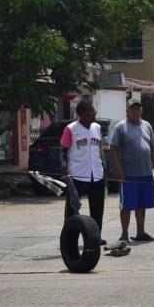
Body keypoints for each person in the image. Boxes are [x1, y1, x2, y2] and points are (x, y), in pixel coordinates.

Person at [110, 98, 154, 243]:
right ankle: (124, 233)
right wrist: (118, 170)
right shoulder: (121, 127)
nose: (135, 111)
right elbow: (113, 150)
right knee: (126, 205)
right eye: (132, 109)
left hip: (145, 172)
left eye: (138, 108)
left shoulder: (147, 125)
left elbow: (152, 148)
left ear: (141, 110)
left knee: (141, 204)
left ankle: (141, 232)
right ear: (127, 111)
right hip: (128, 174)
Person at [60, 100, 106, 245]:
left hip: (96, 174)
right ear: (81, 114)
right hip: (77, 175)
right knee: (72, 210)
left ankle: (95, 237)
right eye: (90, 112)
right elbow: (62, 151)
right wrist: (64, 171)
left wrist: (104, 168)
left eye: (94, 112)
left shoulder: (96, 127)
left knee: (97, 209)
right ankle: (70, 240)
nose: (93, 115)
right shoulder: (71, 129)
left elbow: (99, 149)